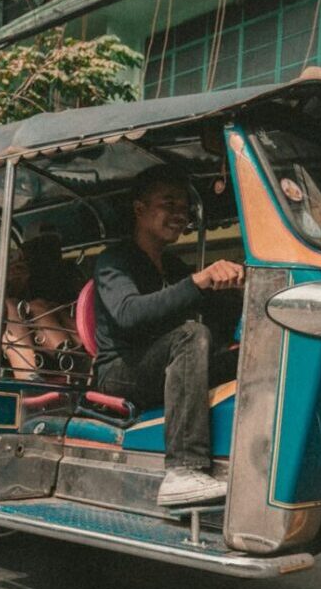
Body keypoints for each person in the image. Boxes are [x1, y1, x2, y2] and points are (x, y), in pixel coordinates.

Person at [93, 165, 245, 506]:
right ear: (140, 209)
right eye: (169, 203)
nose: (180, 214)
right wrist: (198, 282)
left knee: (250, 352)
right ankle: (183, 470)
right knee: (190, 335)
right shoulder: (114, 261)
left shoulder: (174, 266)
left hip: (167, 365)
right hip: (119, 371)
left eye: (184, 207)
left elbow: (215, 320)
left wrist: (235, 288)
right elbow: (130, 316)